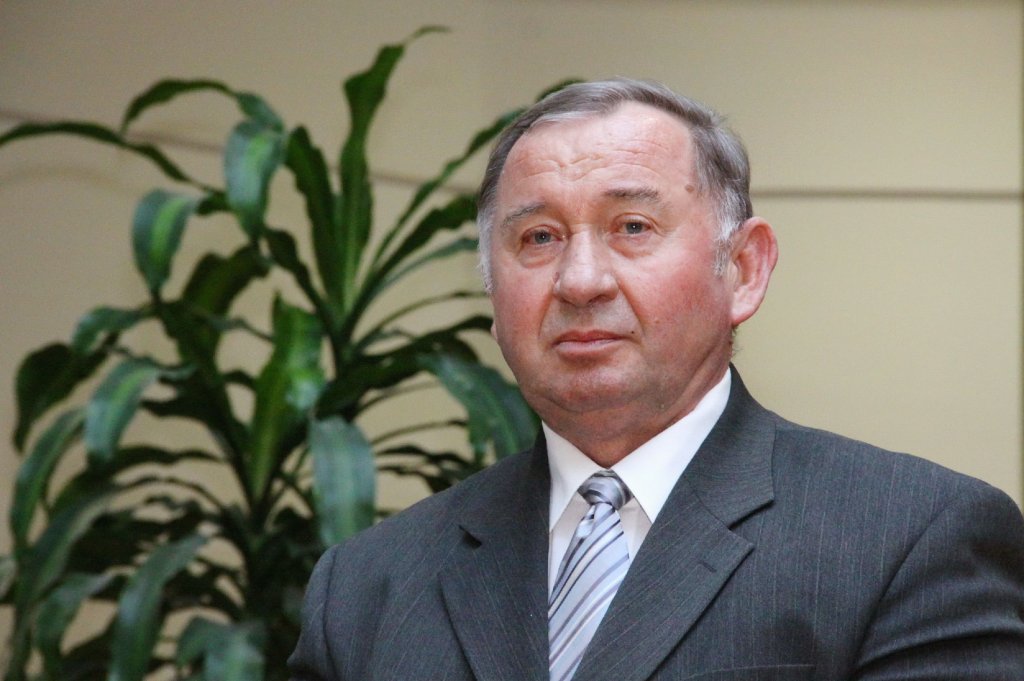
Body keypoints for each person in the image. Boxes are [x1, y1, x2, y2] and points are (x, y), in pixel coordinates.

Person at [288, 79, 1024, 680]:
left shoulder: (910, 539)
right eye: (539, 238)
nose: (580, 280)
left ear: (743, 269)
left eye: (632, 227)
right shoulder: (367, 586)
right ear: (491, 290)